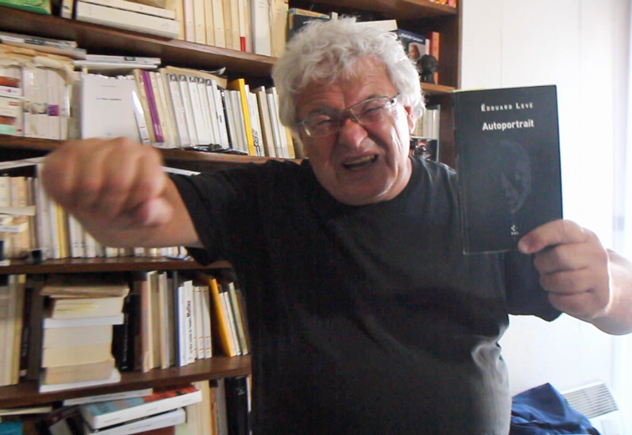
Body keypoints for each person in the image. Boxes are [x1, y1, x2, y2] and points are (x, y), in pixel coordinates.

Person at [41, 18, 632, 435]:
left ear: (409, 112)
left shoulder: (481, 203)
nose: (350, 136)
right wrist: (92, 180)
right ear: (299, 134)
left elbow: (623, 308)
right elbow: (145, 215)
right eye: (322, 118)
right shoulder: (263, 199)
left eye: (372, 108)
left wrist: (606, 290)